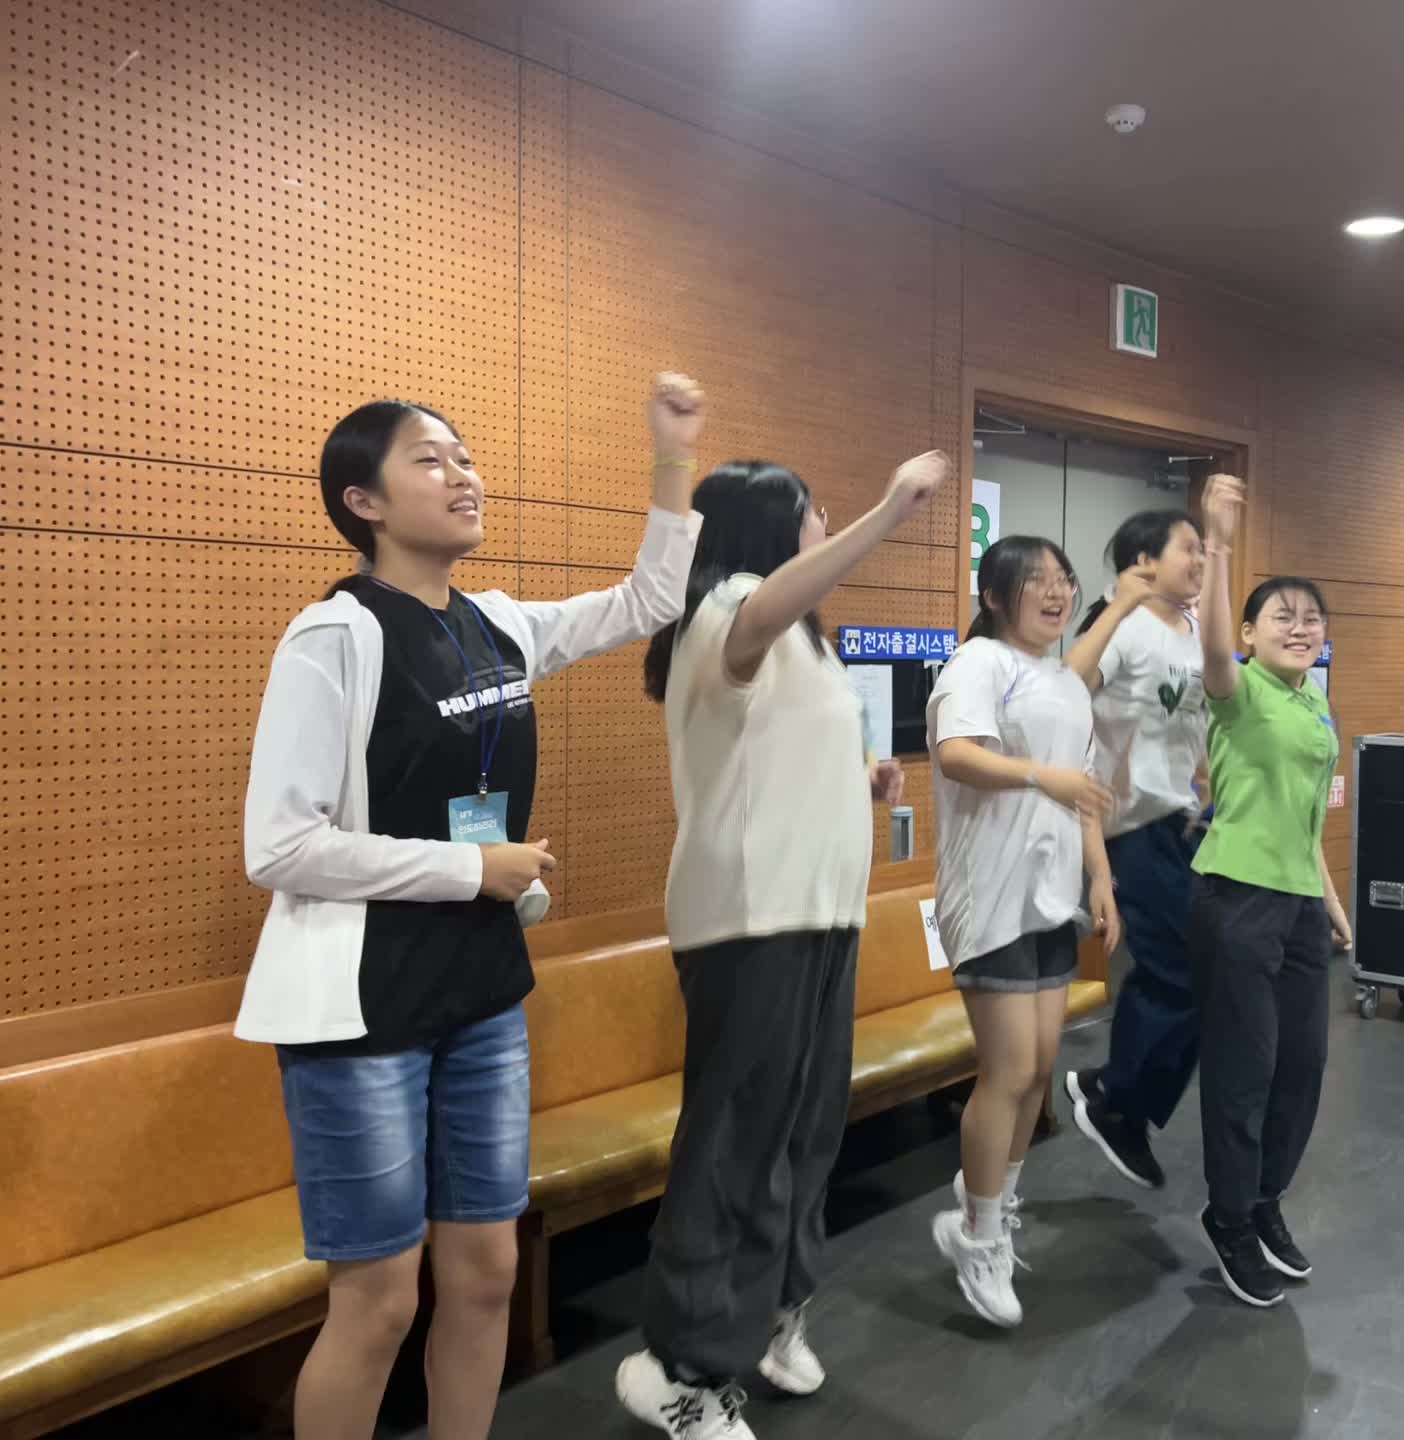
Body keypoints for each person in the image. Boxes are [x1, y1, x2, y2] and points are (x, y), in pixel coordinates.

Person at [238, 376, 706, 1439]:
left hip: (482, 993)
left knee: (489, 1269)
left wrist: (673, 457)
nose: (464, 476)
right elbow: (280, 846)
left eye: (464, 456)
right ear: (364, 502)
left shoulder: (496, 623)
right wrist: (469, 870)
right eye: (430, 460)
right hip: (362, 1011)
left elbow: (648, 602)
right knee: (378, 1302)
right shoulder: (333, 637)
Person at [617, 449, 951, 1440]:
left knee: (804, 1136)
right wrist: (889, 511)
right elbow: (759, 614)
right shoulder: (725, 609)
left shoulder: (807, 639)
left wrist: (863, 779)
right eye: (814, 511)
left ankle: (769, 1314)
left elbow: (773, 755)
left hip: (819, 914)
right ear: (768, 527)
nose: (826, 522)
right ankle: (678, 1368)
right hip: (749, 919)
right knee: (737, 1145)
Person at [927, 535, 1122, 1328]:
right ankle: (976, 1236)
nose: (1056, 591)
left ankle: (992, 1206)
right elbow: (955, 754)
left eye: (1063, 579)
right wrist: (1044, 776)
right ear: (995, 595)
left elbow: (1084, 794)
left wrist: (1100, 877)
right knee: (1006, 1070)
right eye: (1036, 581)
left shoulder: (1064, 683)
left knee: (1039, 1070)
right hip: (990, 897)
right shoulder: (979, 662)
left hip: (1048, 898)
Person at [1187, 475, 1352, 1309]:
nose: (1300, 626)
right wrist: (1217, 543)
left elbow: (1305, 814)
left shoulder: (1314, 697)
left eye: (1311, 617)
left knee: (1304, 1066)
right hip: (1237, 898)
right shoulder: (1239, 687)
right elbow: (1214, 651)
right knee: (1244, 1071)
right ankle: (1228, 1218)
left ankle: (1263, 1200)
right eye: (1281, 615)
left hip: (1295, 905)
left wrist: (1330, 900)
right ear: (1250, 632)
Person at [1061, 509, 1209, 1189]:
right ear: (1145, 560)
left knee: (1203, 975)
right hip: (1130, 825)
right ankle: (1118, 1103)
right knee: (1178, 971)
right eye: (1189, 548)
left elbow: (1195, 726)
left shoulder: (1194, 631)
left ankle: (1112, 1085)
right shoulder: (1125, 626)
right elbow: (1066, 688)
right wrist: (1119, 606)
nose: (1200, 560)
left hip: (1182, 822)